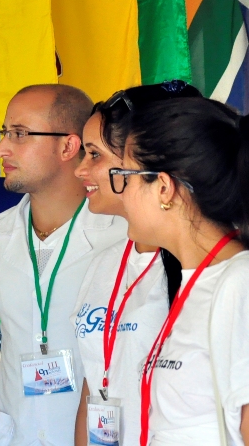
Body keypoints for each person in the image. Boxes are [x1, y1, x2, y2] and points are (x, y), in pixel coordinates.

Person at [0, 84, 128, 446]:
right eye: (4, 133)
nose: (1, 148)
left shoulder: (126, 234)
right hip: (15, 436)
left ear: (68, 146)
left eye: (20, 134)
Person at [71, 82, 201, 446]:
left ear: (142, 161)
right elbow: (93, 382)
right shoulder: (103, 265)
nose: (81, 170)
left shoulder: (212, 272)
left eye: (95, 155)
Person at [118, 97, 249, 445]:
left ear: (163, 187)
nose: (121, 195)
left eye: (125, 177)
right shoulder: (198, 280)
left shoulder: (239, 282)